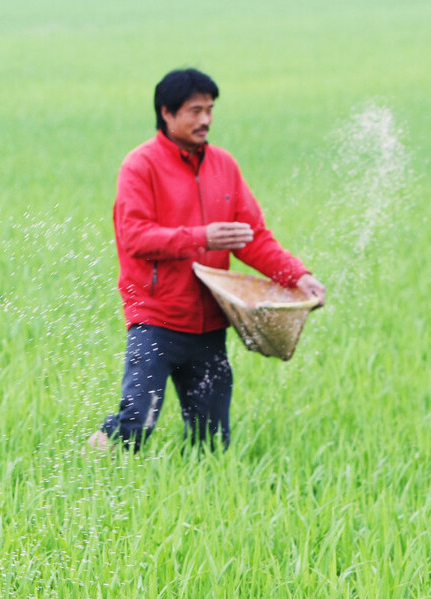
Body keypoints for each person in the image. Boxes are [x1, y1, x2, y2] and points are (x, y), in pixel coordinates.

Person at [89, 68, 325, 452]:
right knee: (136, 424)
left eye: (210, 110)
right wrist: (202, 237)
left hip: (209, 325)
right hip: (156, 319)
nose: (206, 120)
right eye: (195, 110)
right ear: (166, 113)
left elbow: (253, 239)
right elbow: (134, 237)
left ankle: (198, 496)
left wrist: (298, 276)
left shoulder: (224, 165)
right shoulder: (140, 166)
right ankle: (91, 463)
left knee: (212, 442)